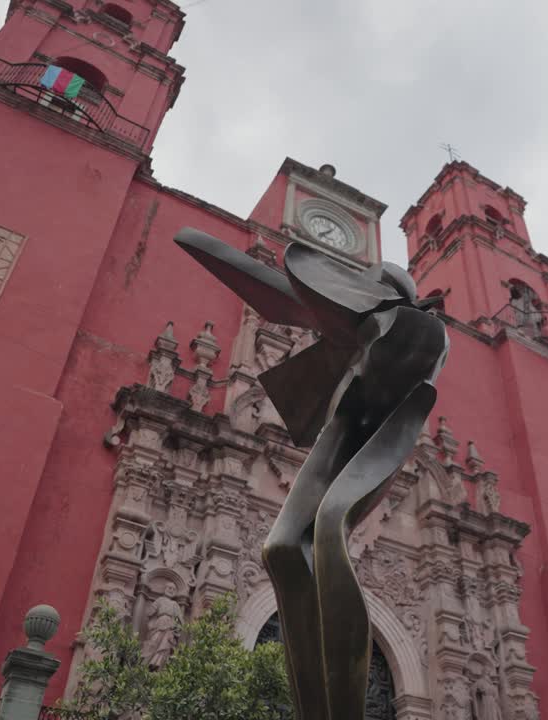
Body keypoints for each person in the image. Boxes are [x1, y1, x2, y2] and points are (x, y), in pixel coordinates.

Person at [175, 229, 448, 720]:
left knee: (329, 527)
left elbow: (410, 349)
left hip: (384, 436)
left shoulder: (416, 330)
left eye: (370, 284)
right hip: (338, 433)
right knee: (280, 548)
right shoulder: (353, 338)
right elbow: (278, 290)